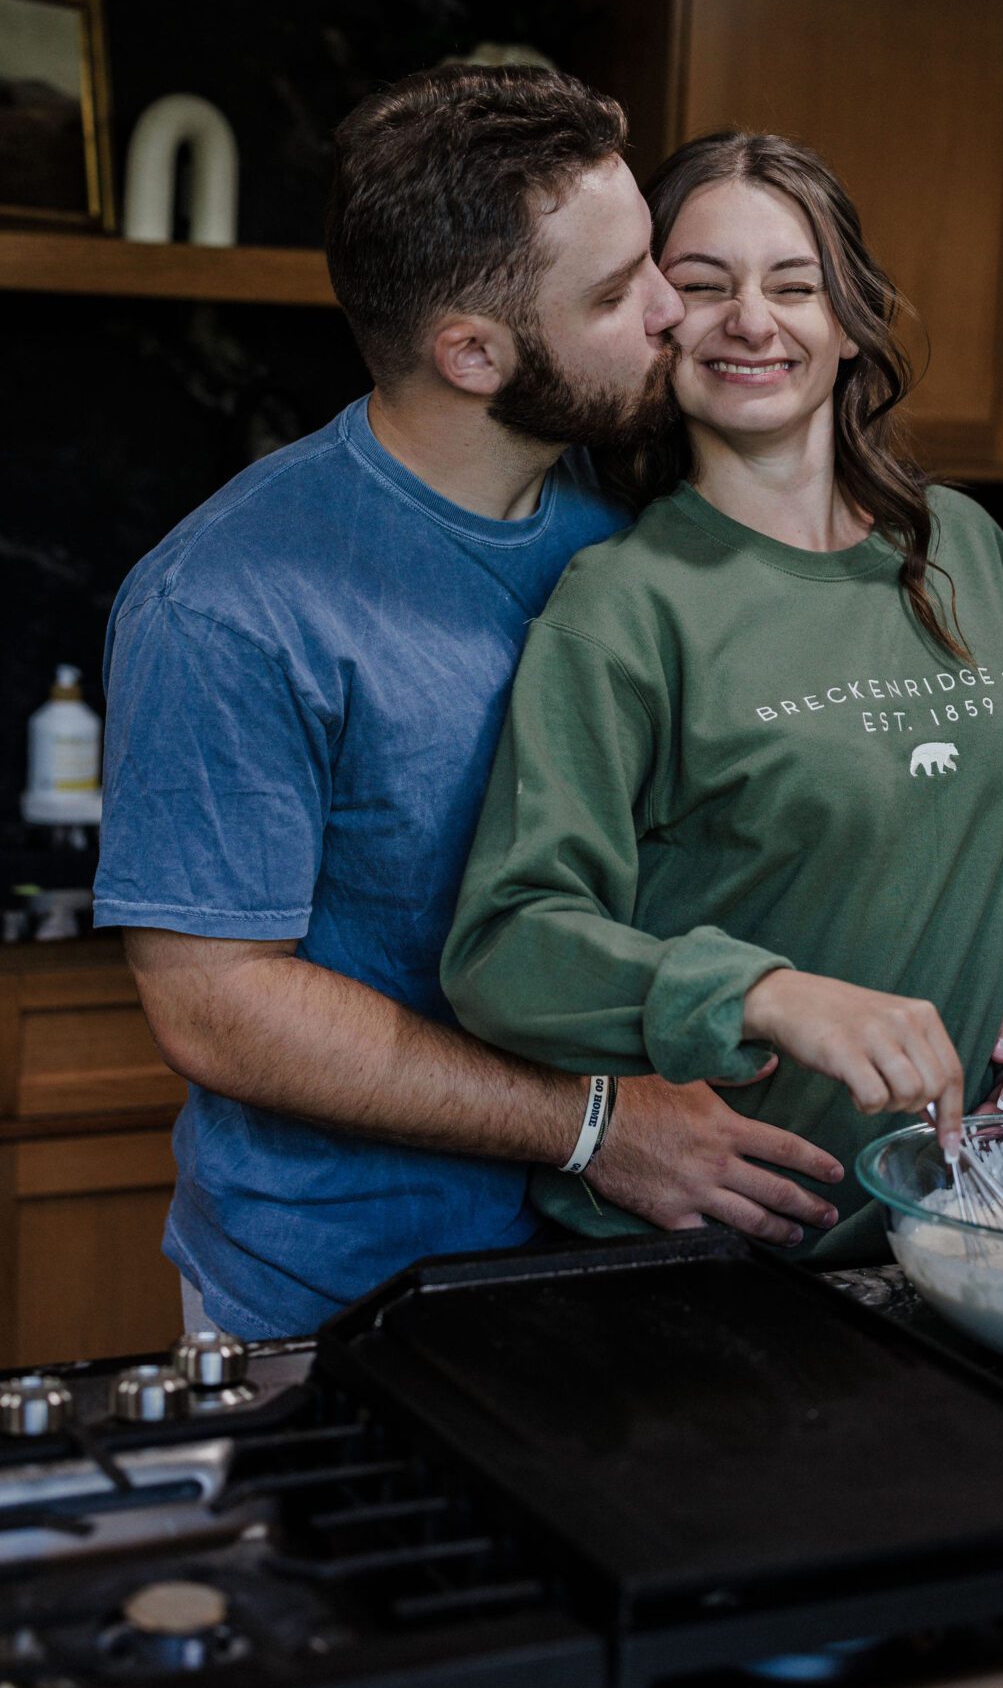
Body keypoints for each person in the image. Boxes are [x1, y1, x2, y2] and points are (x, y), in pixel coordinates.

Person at [93, 71, 853, 1340]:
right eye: (617, 293)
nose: (676, 310)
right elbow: (216, 1006)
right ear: (472, 351)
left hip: (631, 1259)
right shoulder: (226, 602)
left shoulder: (636, 524)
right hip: (338, 1302)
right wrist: (595, 1124)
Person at [442, 130, 1003, 1263]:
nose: (751, 322)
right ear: (657, 324)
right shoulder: (621, 604)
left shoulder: (959, 548)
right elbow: (507, 947)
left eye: (793, 285)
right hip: (708, 1255)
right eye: (703, 288)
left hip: (942, 1238)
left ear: (852, 319)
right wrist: (765, 992)